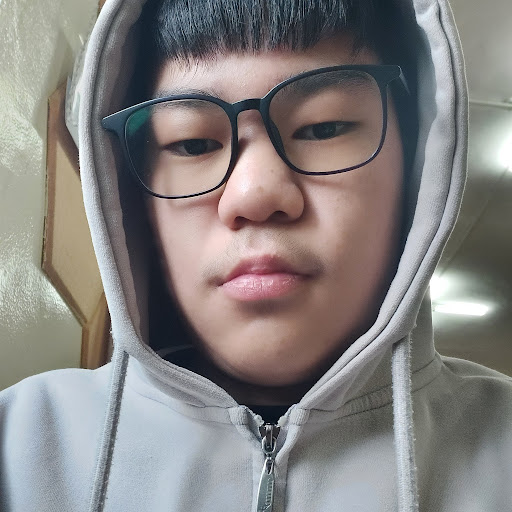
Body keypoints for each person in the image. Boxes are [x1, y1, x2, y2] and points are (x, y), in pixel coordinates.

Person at [1, 0, 511, 510]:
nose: (255, 194)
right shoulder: (17, 448)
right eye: (193, 143)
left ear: (418, 165)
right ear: (133, 202)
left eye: (324, 128)